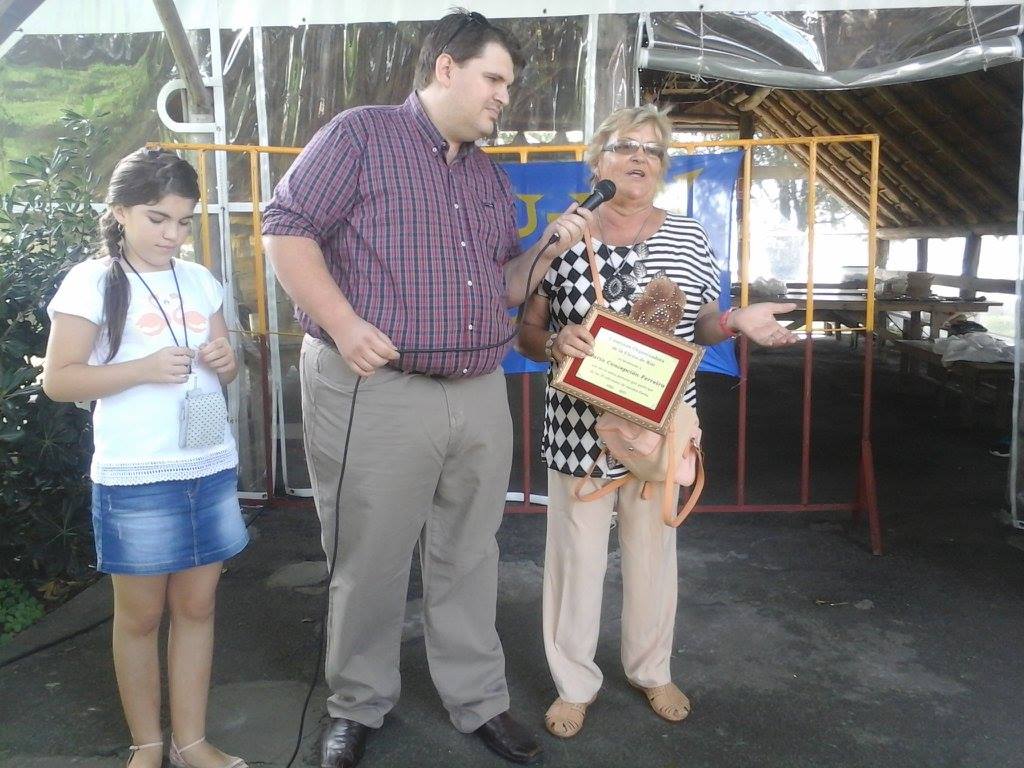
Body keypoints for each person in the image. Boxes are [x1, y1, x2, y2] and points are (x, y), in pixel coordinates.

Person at [261, 9, 593, 768]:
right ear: (447, 67)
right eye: (493, 78)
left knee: (470, 553)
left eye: (508, 83)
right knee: (368, 558)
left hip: (477, 389)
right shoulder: (360, 135)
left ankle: (478, 700)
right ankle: (356, 703)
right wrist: (343, 323)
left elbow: (506, 288)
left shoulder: (487, 174)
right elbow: (285, 226)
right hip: (377, 387)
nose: (503, 95)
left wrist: (546, 251)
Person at [516, 105, 798, 739]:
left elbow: (702, 324)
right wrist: (556, 342)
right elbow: (528, 332)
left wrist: (735, 321)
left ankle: (651, 669)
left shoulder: (689, 237)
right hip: (578, 426)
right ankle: (573, 683)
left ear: (663, 167)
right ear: (597, 160)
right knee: (575, 558)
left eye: (653, 150)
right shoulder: (561, 237)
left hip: (662, 424)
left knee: (652, 555)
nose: (639, 157)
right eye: (625, 146)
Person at [43, 148, 249, 768]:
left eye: (183, 221)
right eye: (157, 218)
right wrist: (141, 369)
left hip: (207, 465)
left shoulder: (200, 279)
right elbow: (59, 379)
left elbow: (227, 370)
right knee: (139, 616)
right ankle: (148, 744)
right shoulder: (92, 281)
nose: (172, 235)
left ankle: (191, 741)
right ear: (120, 212)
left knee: (198, 607)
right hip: (137, 473)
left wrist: (227, 362)